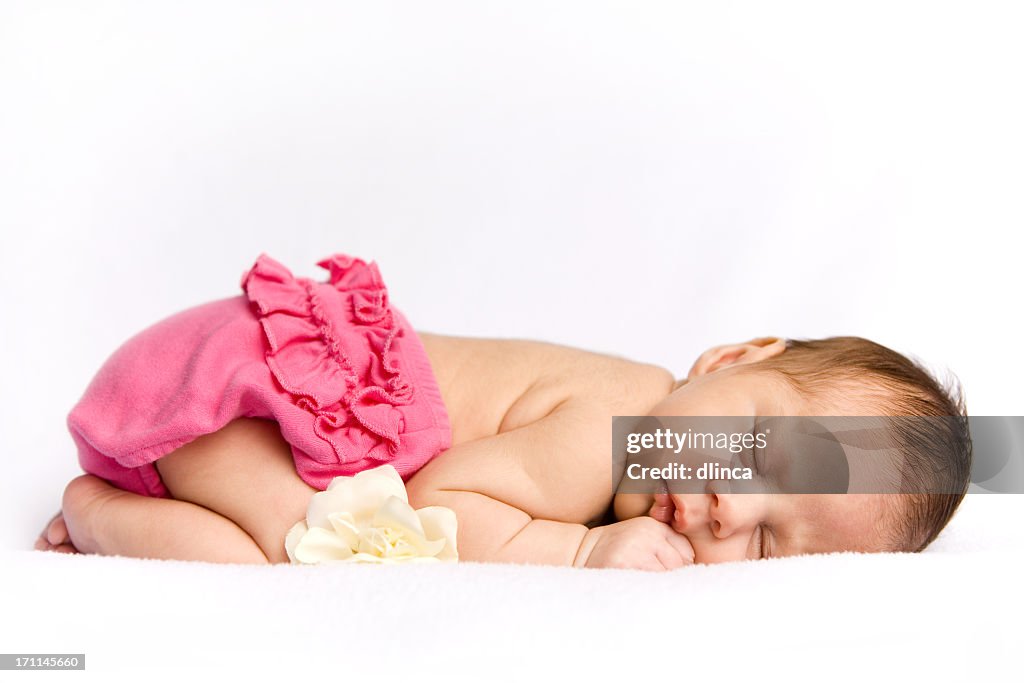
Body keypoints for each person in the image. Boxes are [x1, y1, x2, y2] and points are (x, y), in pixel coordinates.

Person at [35, 253, 972, 569]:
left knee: (273, 543)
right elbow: (445, 497)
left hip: (231, 393)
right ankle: (100, 506)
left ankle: (135, 491)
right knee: (286, 552)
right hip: (243, 392)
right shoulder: (617, 424)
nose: (734, 506)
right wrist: (576, 549)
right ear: (729, 359)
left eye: (768, 541)